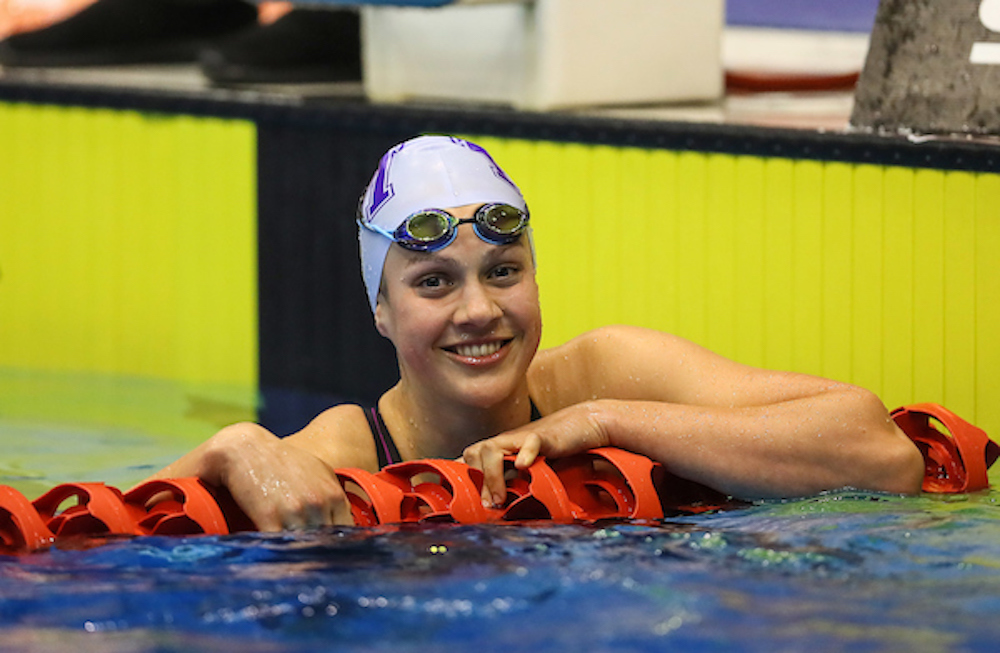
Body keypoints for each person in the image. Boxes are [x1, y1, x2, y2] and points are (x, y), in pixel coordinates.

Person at [146, 135, 925, 531]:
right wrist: (230, 446)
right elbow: (72, 542)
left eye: (503, 270)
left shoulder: (609, 373)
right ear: (380, 312)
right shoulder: (345, 455)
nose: (479, 308)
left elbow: (883, 451)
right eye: (433, 282)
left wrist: (605, 423)